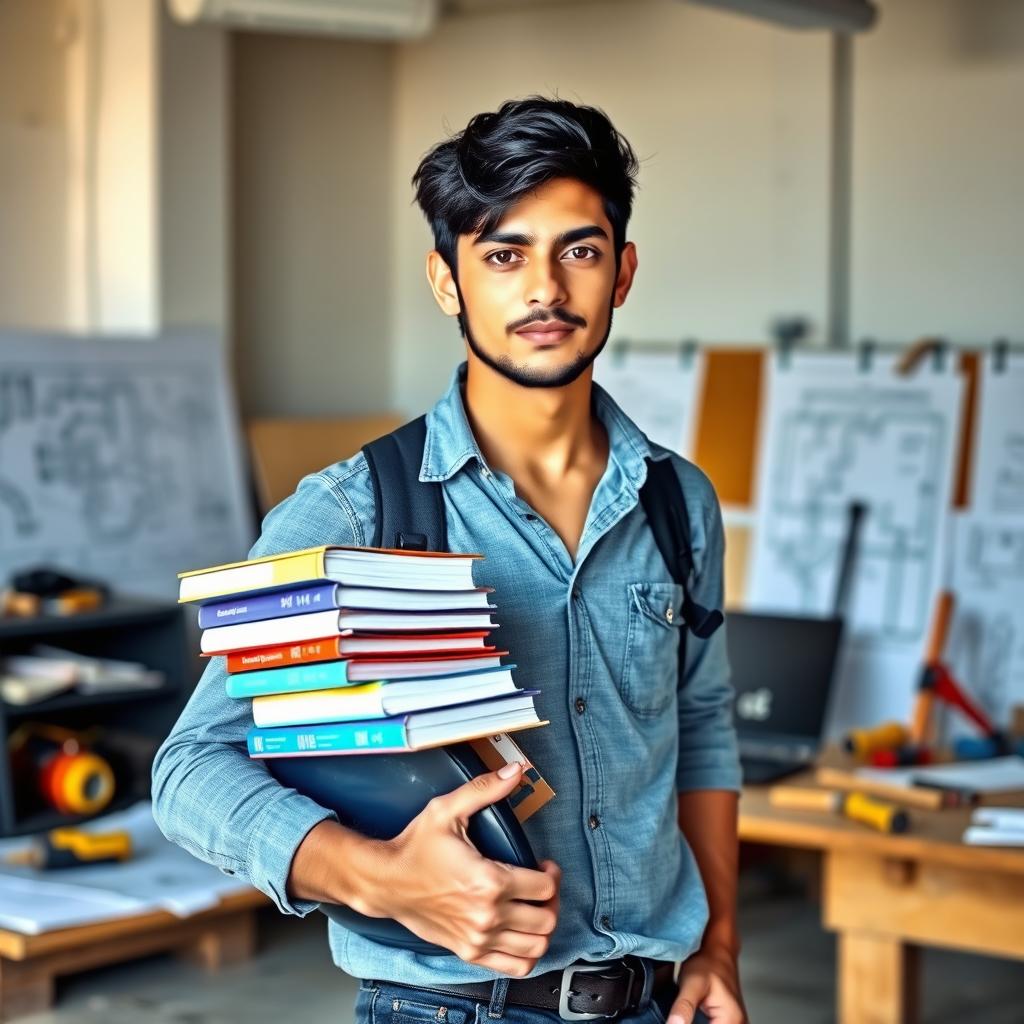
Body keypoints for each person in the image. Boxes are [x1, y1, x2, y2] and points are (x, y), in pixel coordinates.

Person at [152, 95, 746, 1024]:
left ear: (622, 272)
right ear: (446, 280)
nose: (545, 289)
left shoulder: (680, 502)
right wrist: (383, 879)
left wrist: (720, 949)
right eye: (504, 255)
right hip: (446, 1008)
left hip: (656, 1003)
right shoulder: (352, 512)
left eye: (578, 250)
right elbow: (192, 769)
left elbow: (702, 731)